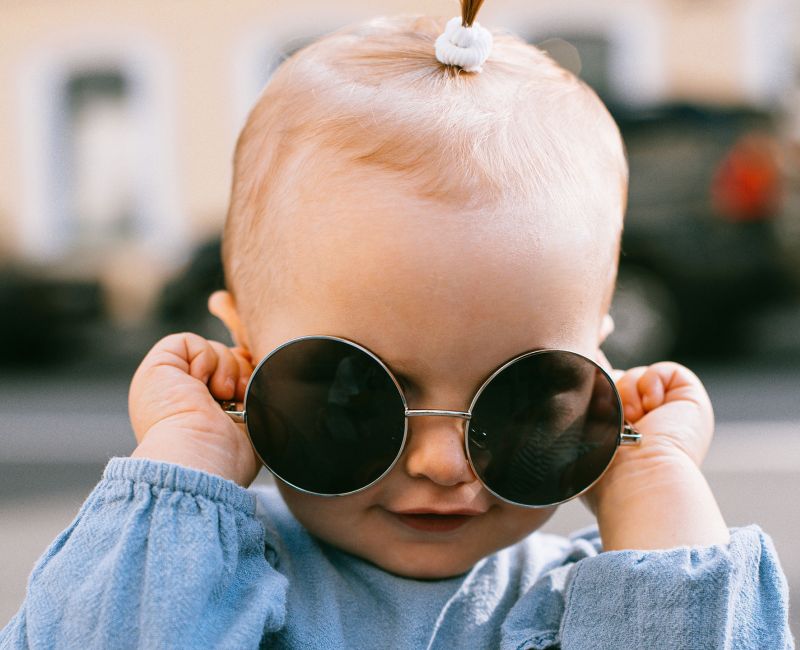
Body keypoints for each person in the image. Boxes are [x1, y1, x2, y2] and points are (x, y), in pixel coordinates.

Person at [2, 2, 794, 648]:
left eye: (521, 396)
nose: (444, 462)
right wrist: (187, 462)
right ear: (243, 359)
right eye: (357, 390)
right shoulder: (190, 575)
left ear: (597, 361)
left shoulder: (612, 596)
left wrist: (655, 495)